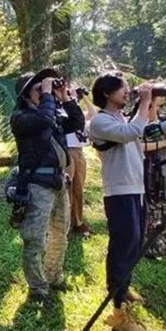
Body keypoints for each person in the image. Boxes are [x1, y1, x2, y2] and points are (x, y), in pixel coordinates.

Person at [88, 71, 153, 331]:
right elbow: (131, 134)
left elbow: (139, 132)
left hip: (135, 188)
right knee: (123, 245)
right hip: (119, 191)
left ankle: (123, 288)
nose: (128, 92)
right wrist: (145, 102)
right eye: (123, 88)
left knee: (135, 242)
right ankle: (118, 312)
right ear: (106, 93)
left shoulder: (121, 118)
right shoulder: (100, 121)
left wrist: (147, 107)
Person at [10, 69, 84, 304]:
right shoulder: (21, 117)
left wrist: (66, 98)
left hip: (58, 182)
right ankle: (37, 287)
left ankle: (54, 276)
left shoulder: (52, 115)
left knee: (61, 232)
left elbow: (77, 123)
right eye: (38, 89)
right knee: (35, 238)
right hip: (37, 185)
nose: (45, 93)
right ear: (25, 95)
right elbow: (42, 120)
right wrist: (48, 97)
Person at [141, 87, 166, 260]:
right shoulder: (138, 121)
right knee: (151, 210)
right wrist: (164, 142)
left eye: (161, 104)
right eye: (157, 104)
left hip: (161, 171)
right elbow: (137, 146)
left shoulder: (164, 121)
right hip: (145, 172)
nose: (159, 108)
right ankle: (150, 246)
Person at [65, 85, 94, 236]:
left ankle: (78, 221)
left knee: (79, 188)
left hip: (79, 151)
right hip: (68, 150)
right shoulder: (63, 111)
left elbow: (93, 113)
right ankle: (66, 224)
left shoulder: (78, 113)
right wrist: (68, 97)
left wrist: (84, 97)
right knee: (67, 188)